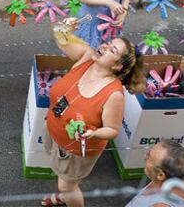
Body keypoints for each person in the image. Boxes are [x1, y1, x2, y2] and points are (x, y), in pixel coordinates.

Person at [41, 19, 146, 207]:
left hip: (75, 149)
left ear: (117, 67)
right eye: (108, 44)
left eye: (112, 50)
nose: (105, 47)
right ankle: (63, 198)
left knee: (67, 186)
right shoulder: (86, 56)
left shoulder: (113, 95)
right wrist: (64, 28)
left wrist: (94, 133)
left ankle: (66, 198)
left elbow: (112, 130)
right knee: (64, 179)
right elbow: (60, 37)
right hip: (54, 130)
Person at [125, 139, 184, 207]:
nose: (145, 156)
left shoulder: (160, 205)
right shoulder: (175, 171)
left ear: (160, 175)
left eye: (149, 156)